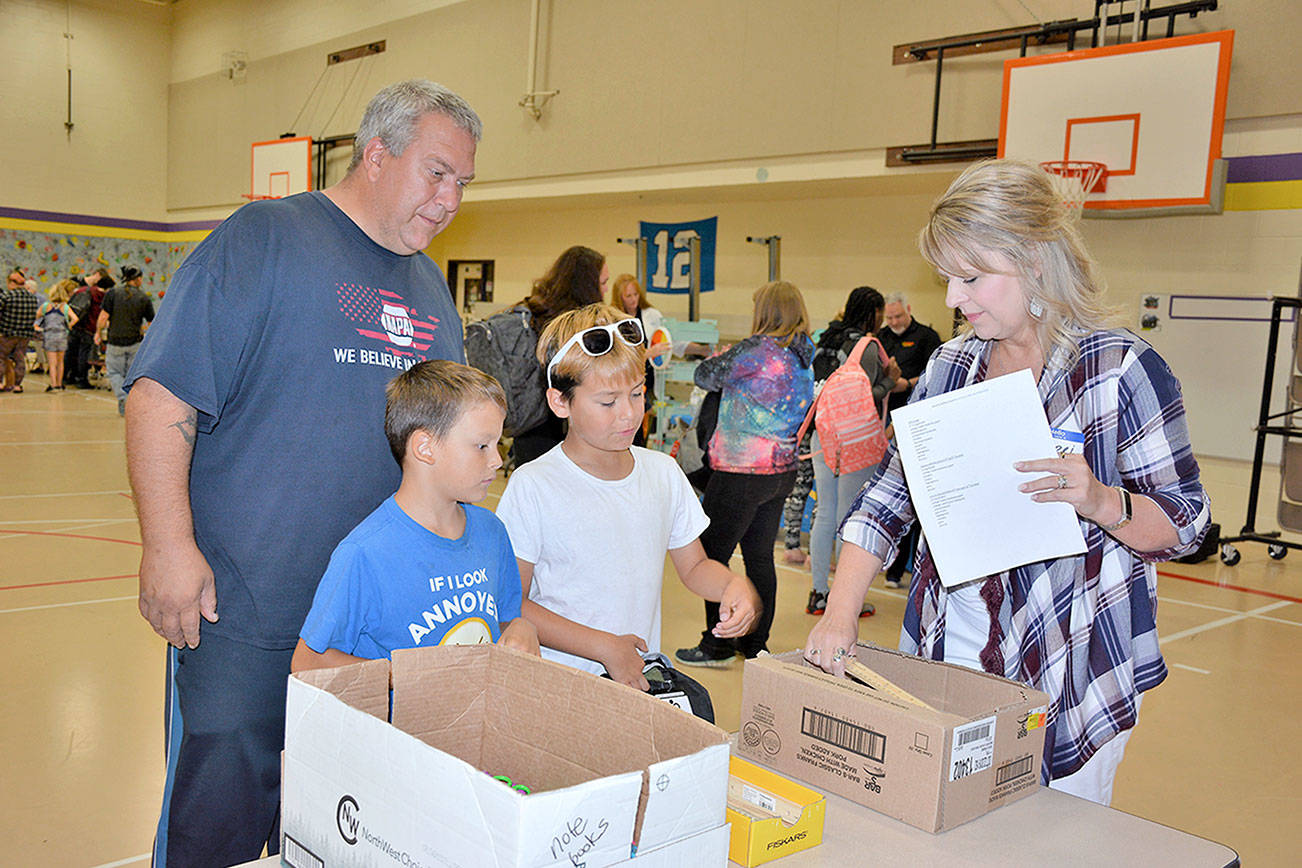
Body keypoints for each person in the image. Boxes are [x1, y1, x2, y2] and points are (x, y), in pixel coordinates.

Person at [122, 79, 480, 867]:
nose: (451, 198)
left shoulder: (431, 293)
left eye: (464, 182)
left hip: (372, 627)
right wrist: (169, 548)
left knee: (334, 829)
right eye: (437, 172)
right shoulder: (265, 239)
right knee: (212, 827)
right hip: (243, 615)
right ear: (377, 153)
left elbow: (446, 451)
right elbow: (160, 398)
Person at [804, 159, 1211, 807]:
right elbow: (890, 500)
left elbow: (1185, 524)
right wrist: (841, 613)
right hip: (953, 646)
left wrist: (1102, 501)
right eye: (947, 279)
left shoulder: (1119, 370)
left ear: (1036, 260)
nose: (954, 299)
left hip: (1069, 665)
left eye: (971, 277)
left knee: (1054, 841)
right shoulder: (950, 364)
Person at [495, 303, 760, 691]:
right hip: (559, 685)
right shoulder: (534, 486)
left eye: (637, 394)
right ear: (560, 402)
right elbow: (509, 605)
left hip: (636, 681)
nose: (628, 415)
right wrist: (604, 648)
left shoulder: (662, 474)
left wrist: (731, 586)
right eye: (608, 402)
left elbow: (695, 567)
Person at [292, 360, 537, 672]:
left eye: (498, 444)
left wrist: (522, 629)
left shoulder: (492, 532)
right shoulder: (366, 554)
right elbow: (307, 662)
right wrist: (408, 677)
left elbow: (504, 622)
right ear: (425, 447)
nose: (497, 460)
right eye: (482, 446)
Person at [676, 280, 815, 666]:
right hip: (780, 471)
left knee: (712, 558)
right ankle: (755, 644)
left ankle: (717, 643)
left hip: (740, 470)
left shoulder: (754, 350)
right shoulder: (805, 353)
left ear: (764, 312)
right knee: (759, 559)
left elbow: (705, 374)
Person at [805, 286, 899, 616]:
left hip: (822, 434)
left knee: (825, 512)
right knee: (848, 516)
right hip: (853, 440)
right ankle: (843, 604)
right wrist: (892, 381)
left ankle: (818, 592)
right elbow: (868, 397)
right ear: (872, 311)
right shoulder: (867, 346)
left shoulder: (826, 339)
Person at [509, 245, 609, 466]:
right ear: (587, 286)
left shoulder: (535, 312)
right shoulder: (576, 327)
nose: (606, 291)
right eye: (603, 283)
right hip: (560, 432)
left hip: (530, 428)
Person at [877, 290, 942, 588]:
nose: (894, 322)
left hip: (915, 420)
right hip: (881, 421)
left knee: (912, 497)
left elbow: (937, 374)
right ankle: (884, 557)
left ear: (909, 310)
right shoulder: (880, 337)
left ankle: (901, 566)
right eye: (889, 317)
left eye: (898, 316)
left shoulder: (928, 337)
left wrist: (907, 383)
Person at [96, 265, 155, 414]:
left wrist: (97, 333)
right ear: (138, 279)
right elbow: (152, 324)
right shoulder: (144, 298)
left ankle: (123, 399)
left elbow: (103, 318)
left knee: (115, 373)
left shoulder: (113, 294)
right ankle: (131, 403)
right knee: (132, 376)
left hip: (115, 341)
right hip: (135, 342)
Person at [67, 267, 111, 388]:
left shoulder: (82, 290)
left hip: (76, 326)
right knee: (84, 355)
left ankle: (69, 377)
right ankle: (82, 380)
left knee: (72, 353)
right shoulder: (102, 296)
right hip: (89, 328)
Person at [33, 278, 80, 391]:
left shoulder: (45, 306)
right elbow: (75, 318)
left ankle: (53, 385)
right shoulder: (65, 307)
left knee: (52, 363)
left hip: (49, 335)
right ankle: (59, 384)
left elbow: (36, 316)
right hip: (62, 336)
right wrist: (69, 325)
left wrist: (37, 326)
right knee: (60, 362)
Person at [0, 268, 40, 393]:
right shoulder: (32, 298)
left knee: (1, 358)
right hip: (25, 335)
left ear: (11, 282)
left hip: (7, 334)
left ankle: (0, 383)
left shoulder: (6, 296)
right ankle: (17, 385)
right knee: (20, 359)